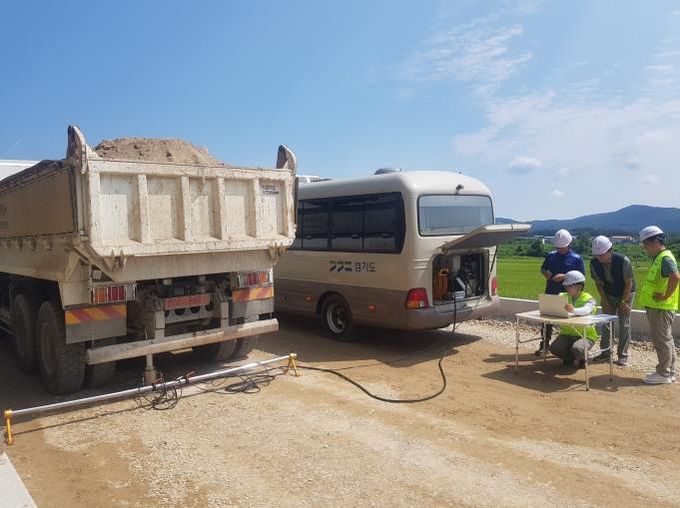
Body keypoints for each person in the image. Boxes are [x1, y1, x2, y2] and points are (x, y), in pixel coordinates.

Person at [638, 226, 679, 385]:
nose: (645, 248)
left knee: (661, 341)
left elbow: (675, 277)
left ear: (655, 242)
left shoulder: (665, 258)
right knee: (666, 339)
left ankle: (663, 373)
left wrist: (665, 296)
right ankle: (669, 372)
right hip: (660, 307)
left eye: (646, 244)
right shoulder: (661, 257)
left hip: (661, 308)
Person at [589, 236, 636, 366]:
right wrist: (604, 300)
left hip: (626, 292)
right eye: (597, 255)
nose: (599, 258)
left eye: (602, 255)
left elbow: (629, 283)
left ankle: (623, 355)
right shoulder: (594, 263)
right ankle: (605, 353)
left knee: (624, 322)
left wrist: (623, 302)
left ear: (610, 250)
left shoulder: (623, 261)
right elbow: (598, 284)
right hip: (608, 293)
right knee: (606, 322)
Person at [537, 229, 585, 355]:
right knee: (546, 319)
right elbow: (543, 268)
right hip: (551, 291)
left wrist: (565, 276)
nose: (560, 250)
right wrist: (546, 274)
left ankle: (572, 345)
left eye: (562, 247)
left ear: (569, 244)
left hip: (568, 294)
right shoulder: (551, 255)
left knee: (569, 321)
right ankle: (544, 344)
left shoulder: (576, 259)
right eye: (558, 247)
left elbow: (581, 278)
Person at [548, 270, 598, 368]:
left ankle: (582, 358)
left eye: (569, 286)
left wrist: (573, 310)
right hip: (567, 334)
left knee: (578, 348)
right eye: (566, 286)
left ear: (579, 286)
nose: (566, 288)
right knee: (554, 348)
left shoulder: (589, 299)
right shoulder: (563, 296)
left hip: (585, 335)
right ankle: (570, 358)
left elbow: (587, 310)